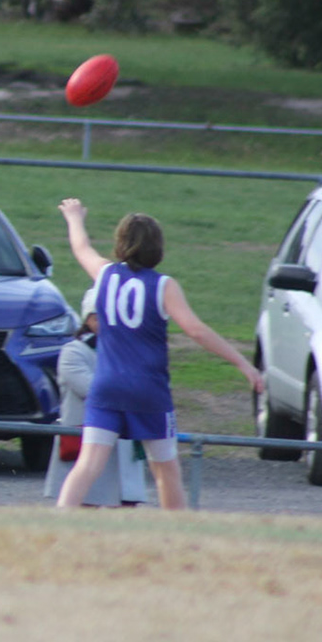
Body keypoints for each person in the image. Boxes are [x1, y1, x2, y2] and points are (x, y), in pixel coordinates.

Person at [52, 198, 263, 512]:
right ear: (157, 247)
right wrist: (243, 363)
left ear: (121, 244)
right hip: (148, 391)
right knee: (166, 470)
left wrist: (74, 217)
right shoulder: (164, 285)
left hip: (107, 386)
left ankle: (59, 523)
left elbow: (81, 247)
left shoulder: (105, 274)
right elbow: (196, 330)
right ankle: (174, 530)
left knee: (89, 463)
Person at [42, 285, 147, 506]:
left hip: (124, 441)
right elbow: (95, 392)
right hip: (86, 440)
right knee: (84, 505)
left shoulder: (129, 351)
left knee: (126, 510)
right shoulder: (73, 352)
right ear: (90, 319)